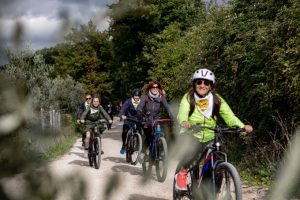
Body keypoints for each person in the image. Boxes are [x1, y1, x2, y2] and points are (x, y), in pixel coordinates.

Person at [174, 68, 253, 191]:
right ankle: (182, 173)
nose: (202, 85)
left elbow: (229, 116)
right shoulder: (188, 97)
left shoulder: (216, 99)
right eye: (199, 82)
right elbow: (182, 112)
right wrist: (184, 122)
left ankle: (213, 193)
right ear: (194, 84)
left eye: (206, 83)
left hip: (211, 134)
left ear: (211, 86)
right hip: (191, 133)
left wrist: (242, 126)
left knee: (219, 159)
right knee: (192, 152)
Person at [137, 81, 174, 161]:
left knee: (163, 134)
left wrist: (172, 116)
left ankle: (161, 152)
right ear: (150, 88)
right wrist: (141, 115)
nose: (155, 89)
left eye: (157, 87)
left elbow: (167, 108)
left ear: (159, 88)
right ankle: (143, 153)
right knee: (149, 137)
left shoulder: (161, 98)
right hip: (146, 120)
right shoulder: (145, 97)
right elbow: (139, 108)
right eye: (153, 87)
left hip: (157, 120)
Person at [119, 89, 141, 154]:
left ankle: (137, 145)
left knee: (140, 131)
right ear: (133, 96)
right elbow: (123, 108)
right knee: (125, 131)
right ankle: (123, 144)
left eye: (138, 96)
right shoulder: (128, 101)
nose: (136, 97)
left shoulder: (142, 102)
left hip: (137, 120)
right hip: (128, 119)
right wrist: (121, 115)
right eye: (135, 96)